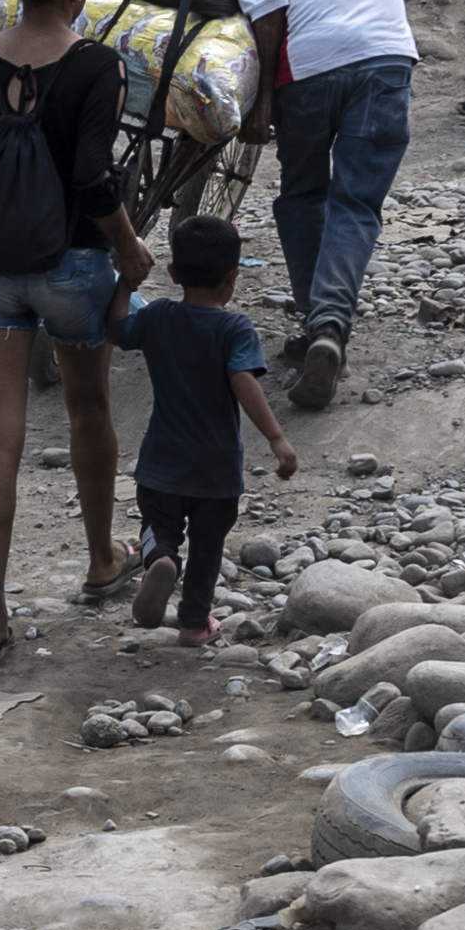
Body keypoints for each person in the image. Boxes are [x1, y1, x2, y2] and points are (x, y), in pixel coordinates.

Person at [0, 0, 137, 660]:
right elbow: (92, 177)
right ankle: (101, 560)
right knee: (90, 410)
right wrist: (129, 244)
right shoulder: (96, 65)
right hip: (75, 266)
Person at [210, 0, 420, 410]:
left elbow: (267, 9)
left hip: (310, 59)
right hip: (385, 49)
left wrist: (263, 101)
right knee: (355, 201)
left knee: (303, 194)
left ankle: (319, 326)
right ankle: (327, 328)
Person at [118, 209, 301, 645]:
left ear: (173, 272)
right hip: (216, 470)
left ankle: (159, 558)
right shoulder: (234, 327)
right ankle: (193, 624)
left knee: (158, 525)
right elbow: (242, 381)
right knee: (207, 546)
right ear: (233, 277)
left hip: (162, 462)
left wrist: (125, 283)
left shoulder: (158, 316)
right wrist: (277, 439)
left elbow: (115, 331)